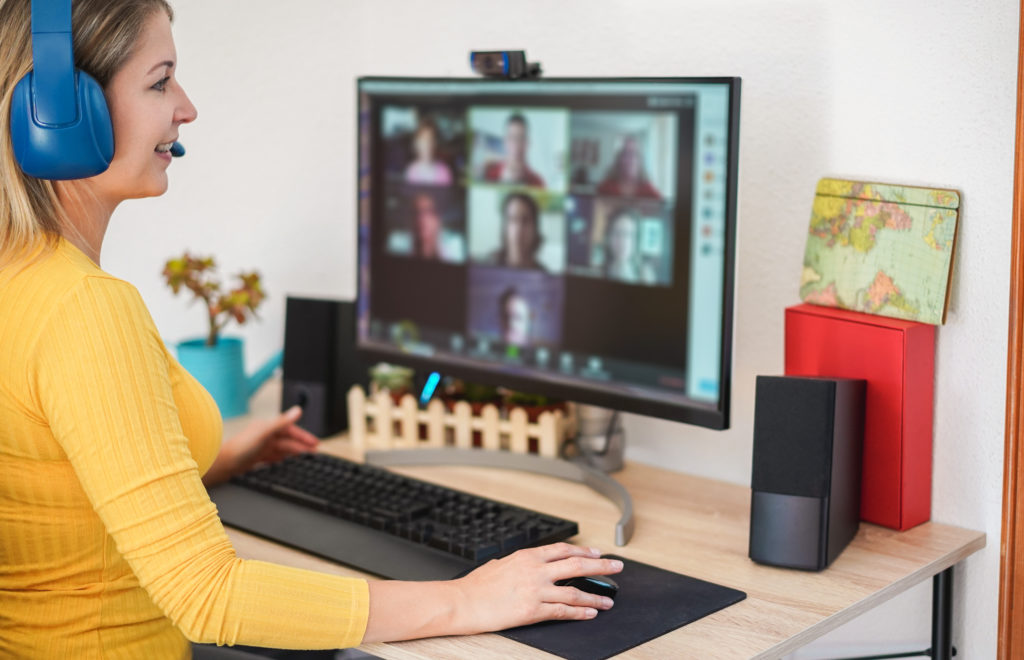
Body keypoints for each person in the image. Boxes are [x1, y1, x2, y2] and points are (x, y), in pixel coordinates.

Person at [0, 2, 620, 658]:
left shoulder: (23, 278)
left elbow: (54, 485)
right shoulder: (85, 310)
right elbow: (210, 596)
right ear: (62, 116)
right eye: (160, 81)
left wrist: (211, 462)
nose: (186, 108)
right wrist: (469, 597)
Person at [482, 113, 545, 187]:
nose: (516, 144)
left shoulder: (538, 182)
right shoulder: (490, 174)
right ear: (505, 141)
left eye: (521, 138)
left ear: (528, 143)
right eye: (512, 137)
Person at [489, 191, 544, 270]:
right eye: (513, 219)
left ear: (535, 228)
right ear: (504, 226)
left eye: (525, 220)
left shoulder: (544, 275)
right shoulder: (489, 267)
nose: (518, 229)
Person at [597, 135, 662, 200]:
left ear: (640, 159)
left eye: (633, 154)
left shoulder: (648, 190)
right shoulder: (606, 188)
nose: (629, 159)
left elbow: (661, 206)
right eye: (625, 154)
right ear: (618, 159)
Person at [603, 209, 657, 284]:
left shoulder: (645, 275)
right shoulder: (599, 272)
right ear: (608, 237)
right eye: (617, 233)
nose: (622, 241)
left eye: (629, 234)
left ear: (636, 239)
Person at [403, 117, 452, 186]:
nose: (426, 144)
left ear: (435, 143)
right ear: (416, 144)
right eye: (423, 140)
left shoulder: (445, 172)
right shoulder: (411, 172)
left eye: (430, 139)